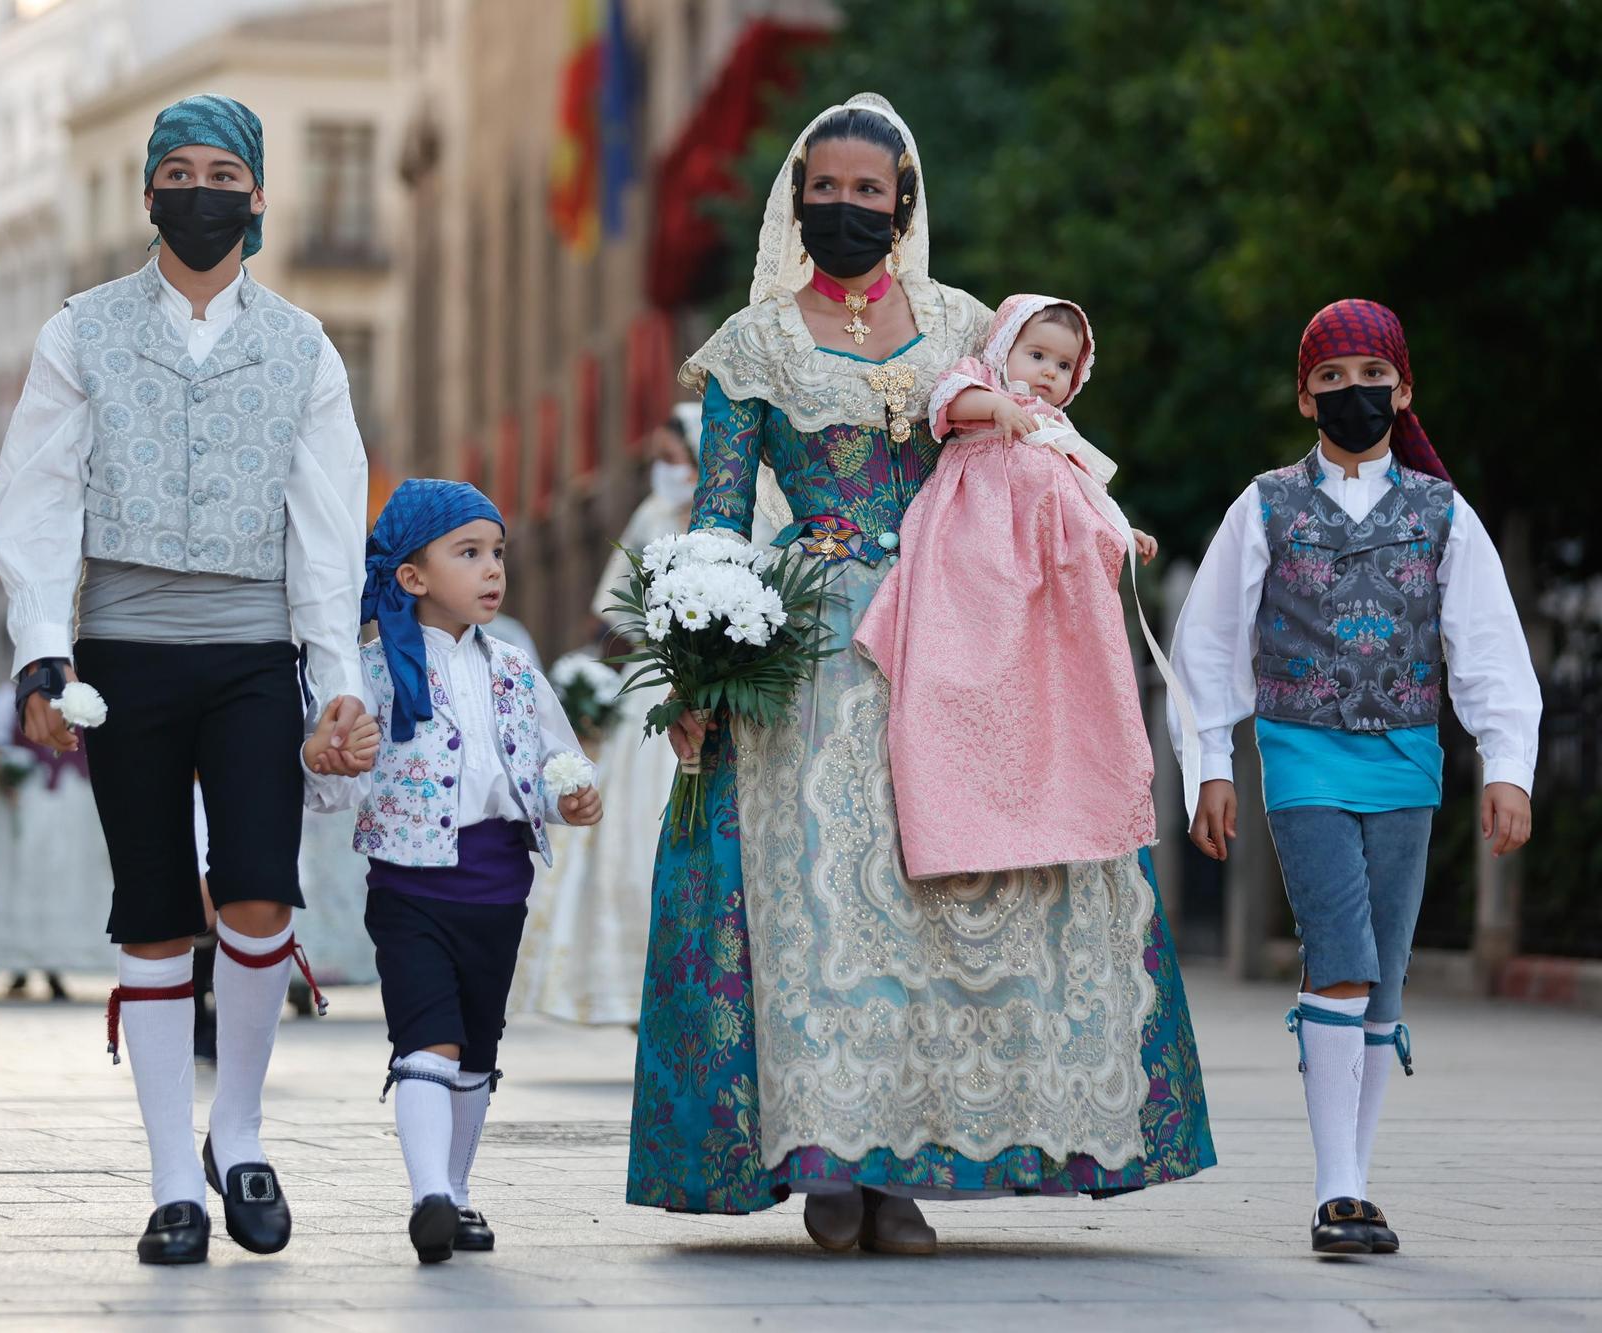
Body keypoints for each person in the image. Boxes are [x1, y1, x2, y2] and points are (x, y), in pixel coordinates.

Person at [629, 94, 1216, 1252]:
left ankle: (905, 1170)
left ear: (902, 203)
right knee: (829, 906)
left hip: (966, 631)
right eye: (825, 189)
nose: (845, 208)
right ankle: (834, 1169)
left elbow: (1033, 443)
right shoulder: (751, 343)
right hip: (813, 652)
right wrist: (699, 669)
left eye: (867, 191)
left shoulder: (962, 324)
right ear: (797, 200)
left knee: (945, 905)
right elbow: (718, 512)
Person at [0, 93, 379, 1267]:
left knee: (260, 887)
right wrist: (41, 649)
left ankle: (239, 1131)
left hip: (255, 652)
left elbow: (323, 528)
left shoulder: (304, 346)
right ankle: (171, 1179)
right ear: (148, 192)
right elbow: (37, 498)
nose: (199, 189)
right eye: (179, 171)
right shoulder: (80, 331)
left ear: (257, 195)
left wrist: (338, 672)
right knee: (153, 908)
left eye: (223, 172)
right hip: (122, 653)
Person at [1167, 298, 1539, 1256]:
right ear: (1305, 399)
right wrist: (1212, 765)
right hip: (1300, 752)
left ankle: (1358, 1181)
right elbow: (1207, 641)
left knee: (1385, 979)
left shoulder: (1442, 512)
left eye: (1371, 376)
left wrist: (1509, 765)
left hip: (1409, 756)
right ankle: (1337, 1190)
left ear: (1402, 389)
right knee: (1340, 951)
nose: (1353, 393)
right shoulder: (1265, 505)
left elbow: (1489, 643)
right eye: (1330, 379)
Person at [306, 479, 603, 1263]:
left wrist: (569, 792)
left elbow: (550, 752)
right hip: (410, 885)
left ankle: (459, 1192)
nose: (492, 569)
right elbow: (333, 787)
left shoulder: (512, 664)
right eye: (468, 553)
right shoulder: (372, 670)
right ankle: (428, 1194)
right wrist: (331, 758)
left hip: (499, 884)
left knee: (476, 1043)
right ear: (412, 576)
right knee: (426, 1040)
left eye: (496, 552)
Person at [856, 296, 1161, 878]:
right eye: (1037, 354)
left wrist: (1123, 528)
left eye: (1064, 365)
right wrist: (996, 404)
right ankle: (957, 812)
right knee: (963, 667)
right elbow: (947, 402)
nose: (1048, 372)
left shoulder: (1057, 428)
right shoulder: (984, 383)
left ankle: (1052, 804)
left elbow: (1081, 492)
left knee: (1042, 683)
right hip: (976, 546)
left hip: (1041, 571)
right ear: (1003, 350)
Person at [515, 405, 703, 1026]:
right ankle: (631, 991)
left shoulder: (739, 513)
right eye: (659, 461)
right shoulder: (650, 516)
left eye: (673, 459)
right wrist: (591, 673)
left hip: (704, 689)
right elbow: (612, 610)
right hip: (649, 690)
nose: (665, 471)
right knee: (625, 839)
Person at [0, 682, 117, 998]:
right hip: (29, 804)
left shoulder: (84, 695)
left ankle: (56, 965)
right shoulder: (11, 698)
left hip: (73, 804)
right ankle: (18, 963)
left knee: (68, 882)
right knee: (22, 878)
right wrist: (5, 776)